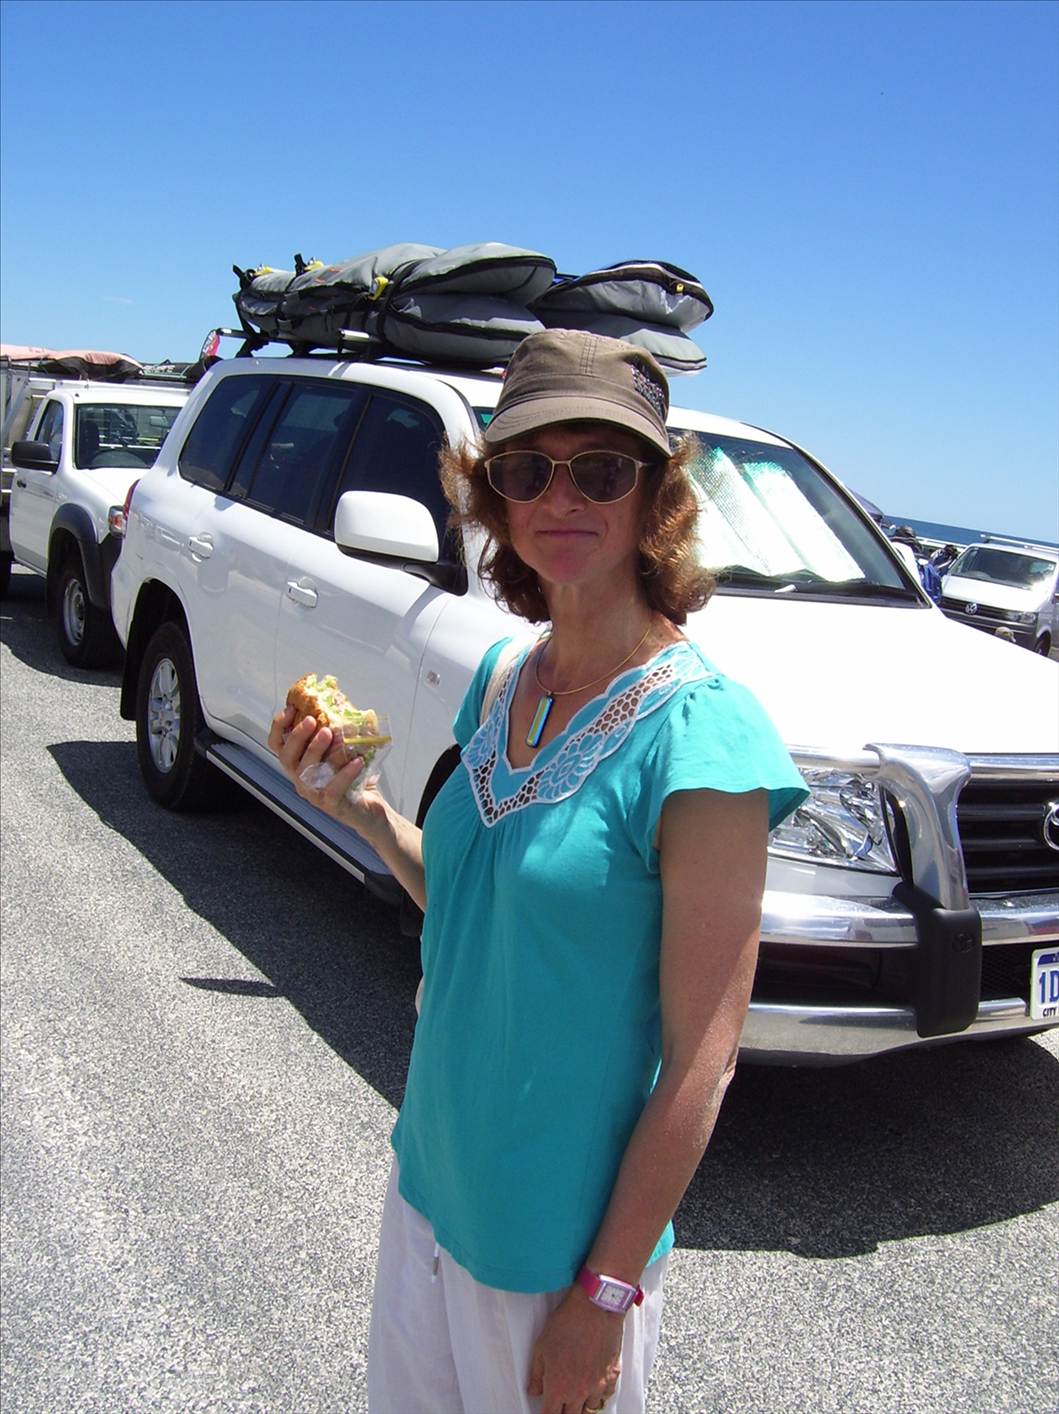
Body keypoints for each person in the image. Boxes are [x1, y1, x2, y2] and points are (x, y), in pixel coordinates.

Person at [269, 329, 808, 1414]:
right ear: (496, 496)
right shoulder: (505, 679)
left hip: (554, 1248)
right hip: (432, 1183)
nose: (560, 497)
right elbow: (476, 908)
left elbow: (701, 1063)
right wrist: (363, 811)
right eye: (526, 468)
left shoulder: (702, 736)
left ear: (657, 497)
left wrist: (603, 1296)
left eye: (600, 469)